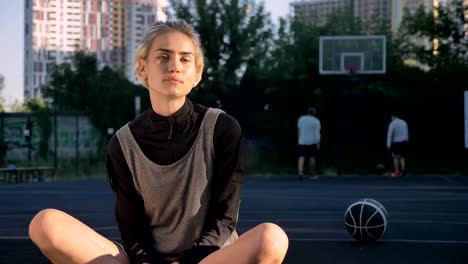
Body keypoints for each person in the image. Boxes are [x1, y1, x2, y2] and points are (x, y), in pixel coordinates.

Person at [28, 20, 289, 264]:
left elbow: (224, 219)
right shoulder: (122, 143)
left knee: (272, 238)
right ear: (143, 68)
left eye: (185, 59)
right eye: (163, 57)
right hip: (149, 260)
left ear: (197, 72)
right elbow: (131, 228)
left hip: (209, 258)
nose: (174, 65)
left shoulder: (222, 128)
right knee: (45, 224)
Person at [297, 107, 321, 180]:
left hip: (302, 140)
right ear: (314, 113)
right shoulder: (316, 121)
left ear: (308, 112)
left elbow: (298, 129)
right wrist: (318, 142)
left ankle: (300, 172)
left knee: (301, 156)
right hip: (312, 141)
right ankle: (311, 174)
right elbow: (317, 133)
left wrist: (299, 138)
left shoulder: (301, 118)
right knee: (312, 157)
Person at [387, 113, 409, 177]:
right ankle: (403, 170)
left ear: (393, 117)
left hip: (396, 142)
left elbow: (389, 134)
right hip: (404, 141)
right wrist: (407, 140)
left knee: (395, 157)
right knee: (402, 156)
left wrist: (388, 144)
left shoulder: (392, 123)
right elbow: (407, 132)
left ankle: (397, 172)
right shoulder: (404, 122)